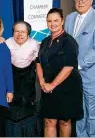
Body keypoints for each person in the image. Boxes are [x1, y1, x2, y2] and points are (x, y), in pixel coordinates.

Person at [64, 0, 95, 137]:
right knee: (80, 112)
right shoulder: (69, 18)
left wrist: (78, 64)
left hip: (94, 76)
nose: (81, 2)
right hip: (74, 77)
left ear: (91, 0)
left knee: (93, 114)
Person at [36, 8, 83, 137]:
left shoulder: (69, 41)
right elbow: (38, 62)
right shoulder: (45, 41)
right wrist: (42, 81)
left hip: (66, 87)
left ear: (62, 21)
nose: (53, 24)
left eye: (56, 20)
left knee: (64, 121)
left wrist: (52, 85)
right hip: (47, 86)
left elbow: (69, 67)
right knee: (48, 121)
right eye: (49, 21)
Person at [6, 21, 40, 105]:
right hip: (13, 68)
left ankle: (30, 102)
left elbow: (37, 58)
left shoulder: (34, 44)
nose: (19, 34)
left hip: (29, 68)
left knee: (29, 87)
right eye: (17, 31)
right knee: (15, 89)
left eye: (23, 32)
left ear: (28, 34)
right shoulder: (7, 43)